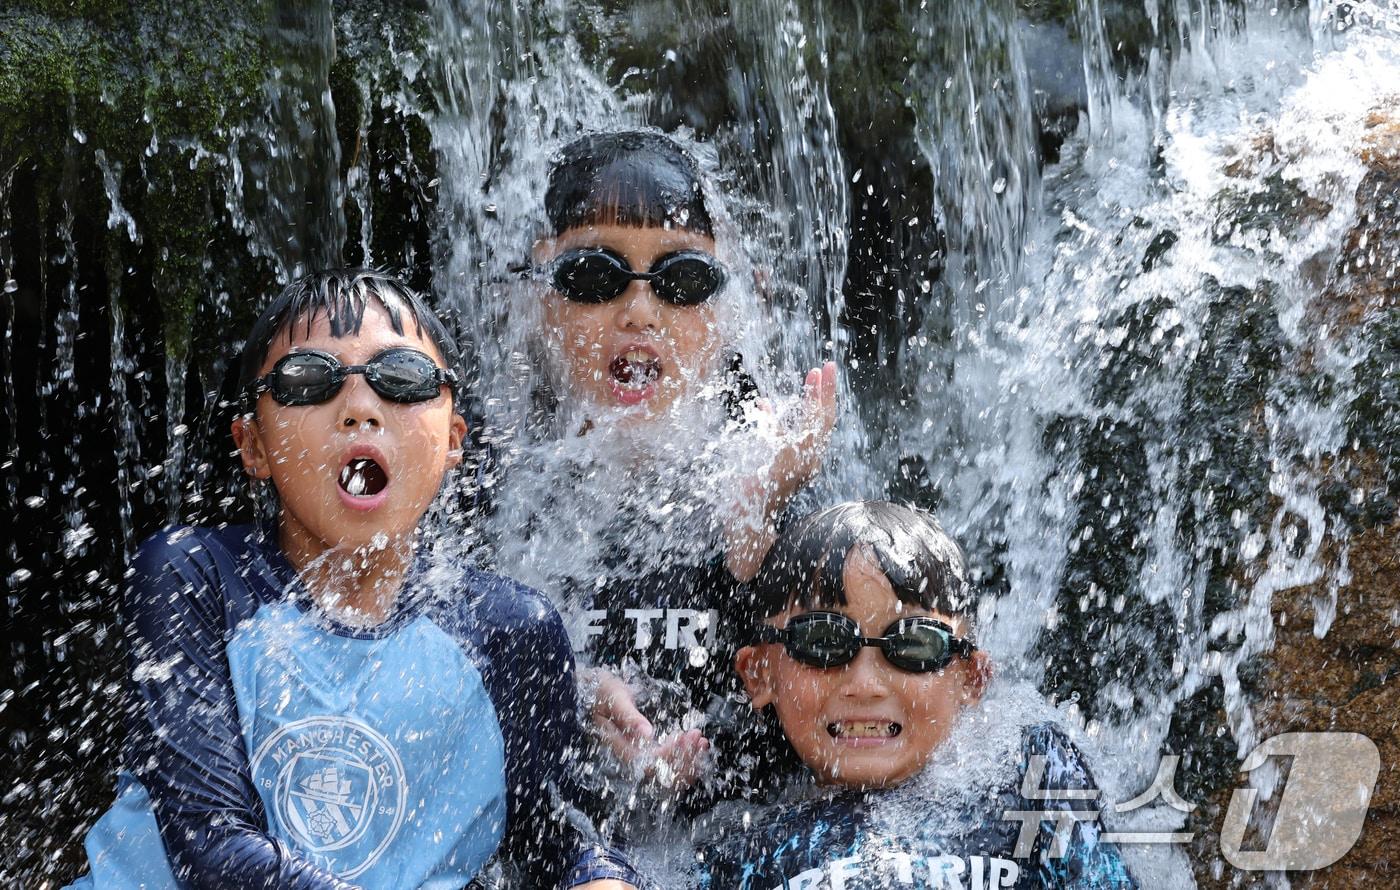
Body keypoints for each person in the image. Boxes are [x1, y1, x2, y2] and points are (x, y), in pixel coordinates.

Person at [66, 270, 640, 889]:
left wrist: (600, 875)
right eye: (310, 381)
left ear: (453, 441)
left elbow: (550, 834)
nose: (361, 409)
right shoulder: (197, 579)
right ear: (252, 445)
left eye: (403, 380)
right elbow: (213, 851)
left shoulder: (510, 632)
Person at [500, 130, 837, 811]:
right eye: (593, 276)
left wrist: (758, 517)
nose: (639, 311)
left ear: (731, 308)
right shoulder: (502, 493)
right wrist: (571, 694)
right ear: (539, 298)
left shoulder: (770, 478)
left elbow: (839, 714)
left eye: (684, 281)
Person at [697, 501, 1137, 888]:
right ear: (760, 674)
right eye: (824, 641)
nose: (865, 685)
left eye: (913, 645)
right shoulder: (738, 850)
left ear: (971, 677)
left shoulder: (1031, 776)